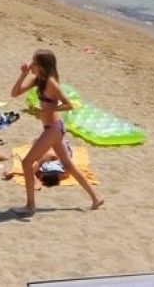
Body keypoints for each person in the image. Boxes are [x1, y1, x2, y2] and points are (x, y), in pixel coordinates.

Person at [10, 50, 104, 213]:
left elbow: (68, 104)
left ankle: (30, 206)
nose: (31, 64)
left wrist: (50, 109)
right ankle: (96, 197)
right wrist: (23, 75)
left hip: (53, 129)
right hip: (53, 128)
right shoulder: (38, 80)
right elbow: (14, 93)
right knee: (69, 165)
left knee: (26, 163)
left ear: (42, 66)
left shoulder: (51, 83)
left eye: (34, 62)